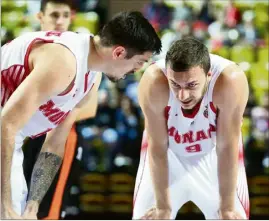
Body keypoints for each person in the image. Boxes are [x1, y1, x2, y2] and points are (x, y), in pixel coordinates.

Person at [1, 11, 162, 219]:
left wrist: (33, 205)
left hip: (10, 140)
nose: (138, 69)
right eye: (140, 61)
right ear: (119, 52)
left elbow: (56, 141)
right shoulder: (63, 61)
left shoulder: (91, 75)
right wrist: (4, 204)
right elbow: (5, 125)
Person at [132, 37, 249, 219]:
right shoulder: (154, 81)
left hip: (214, 155)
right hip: (168, 154)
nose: (182, 95)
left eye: (191, 85)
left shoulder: (229, 81)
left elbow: (226, 147)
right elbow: (158, 147)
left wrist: (226, 207)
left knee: (230, 216)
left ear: (209, 75)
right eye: (175, 84)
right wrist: (163, 207)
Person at [22, 0, 98, 219]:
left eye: (65, 15)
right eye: (55, 15)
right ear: (40, 17)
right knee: (17, 201)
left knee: (48, 210)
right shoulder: (26, 48)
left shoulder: (83, 54)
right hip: (25, 134)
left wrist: (42, 117)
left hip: (61, 135)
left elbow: (89, 109)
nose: (60, 21)